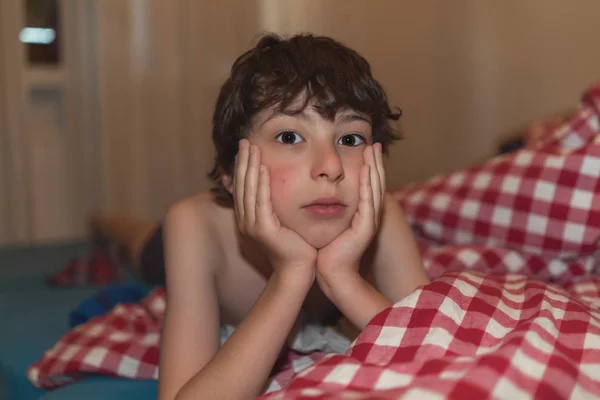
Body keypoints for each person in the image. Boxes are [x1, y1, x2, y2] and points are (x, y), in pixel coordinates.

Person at [97, 33, 430, 399]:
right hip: (199, 235)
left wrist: (340, 276)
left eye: (350, 140)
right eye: (289, 136)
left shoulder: (383, 217)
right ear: (231, 173)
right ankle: (104, 221)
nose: (330, 166)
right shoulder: (196, 226)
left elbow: (442, 355)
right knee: (142, 244)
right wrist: (289, 276)